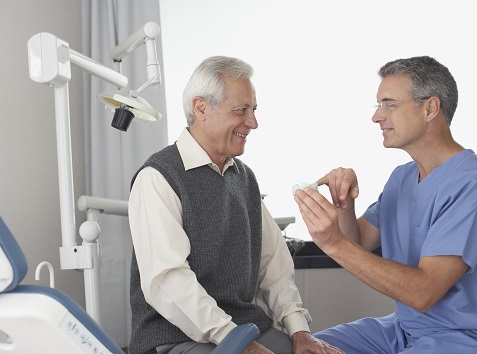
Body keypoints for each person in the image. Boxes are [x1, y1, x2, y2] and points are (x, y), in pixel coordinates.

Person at [127, 56, 343, 354]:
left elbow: (274, 267)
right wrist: (234, 340)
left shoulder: (245, 178)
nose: (253, 122)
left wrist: (299, 331)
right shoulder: (158, 177)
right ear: (201, 108)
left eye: (253, 110)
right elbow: (168, 283)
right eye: (241, 110)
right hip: (176, 337)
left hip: (245, 328)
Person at [294, 56, 477, 353]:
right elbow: (360, 241)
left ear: (430, 108)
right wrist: (343, 206)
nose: (377, 116)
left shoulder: (475, 182)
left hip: (465, 337)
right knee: (310, 347)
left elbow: (423, 293)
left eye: (389, 104)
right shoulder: (403, 177)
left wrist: (333, 243)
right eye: (378, 105)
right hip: (404, 328)